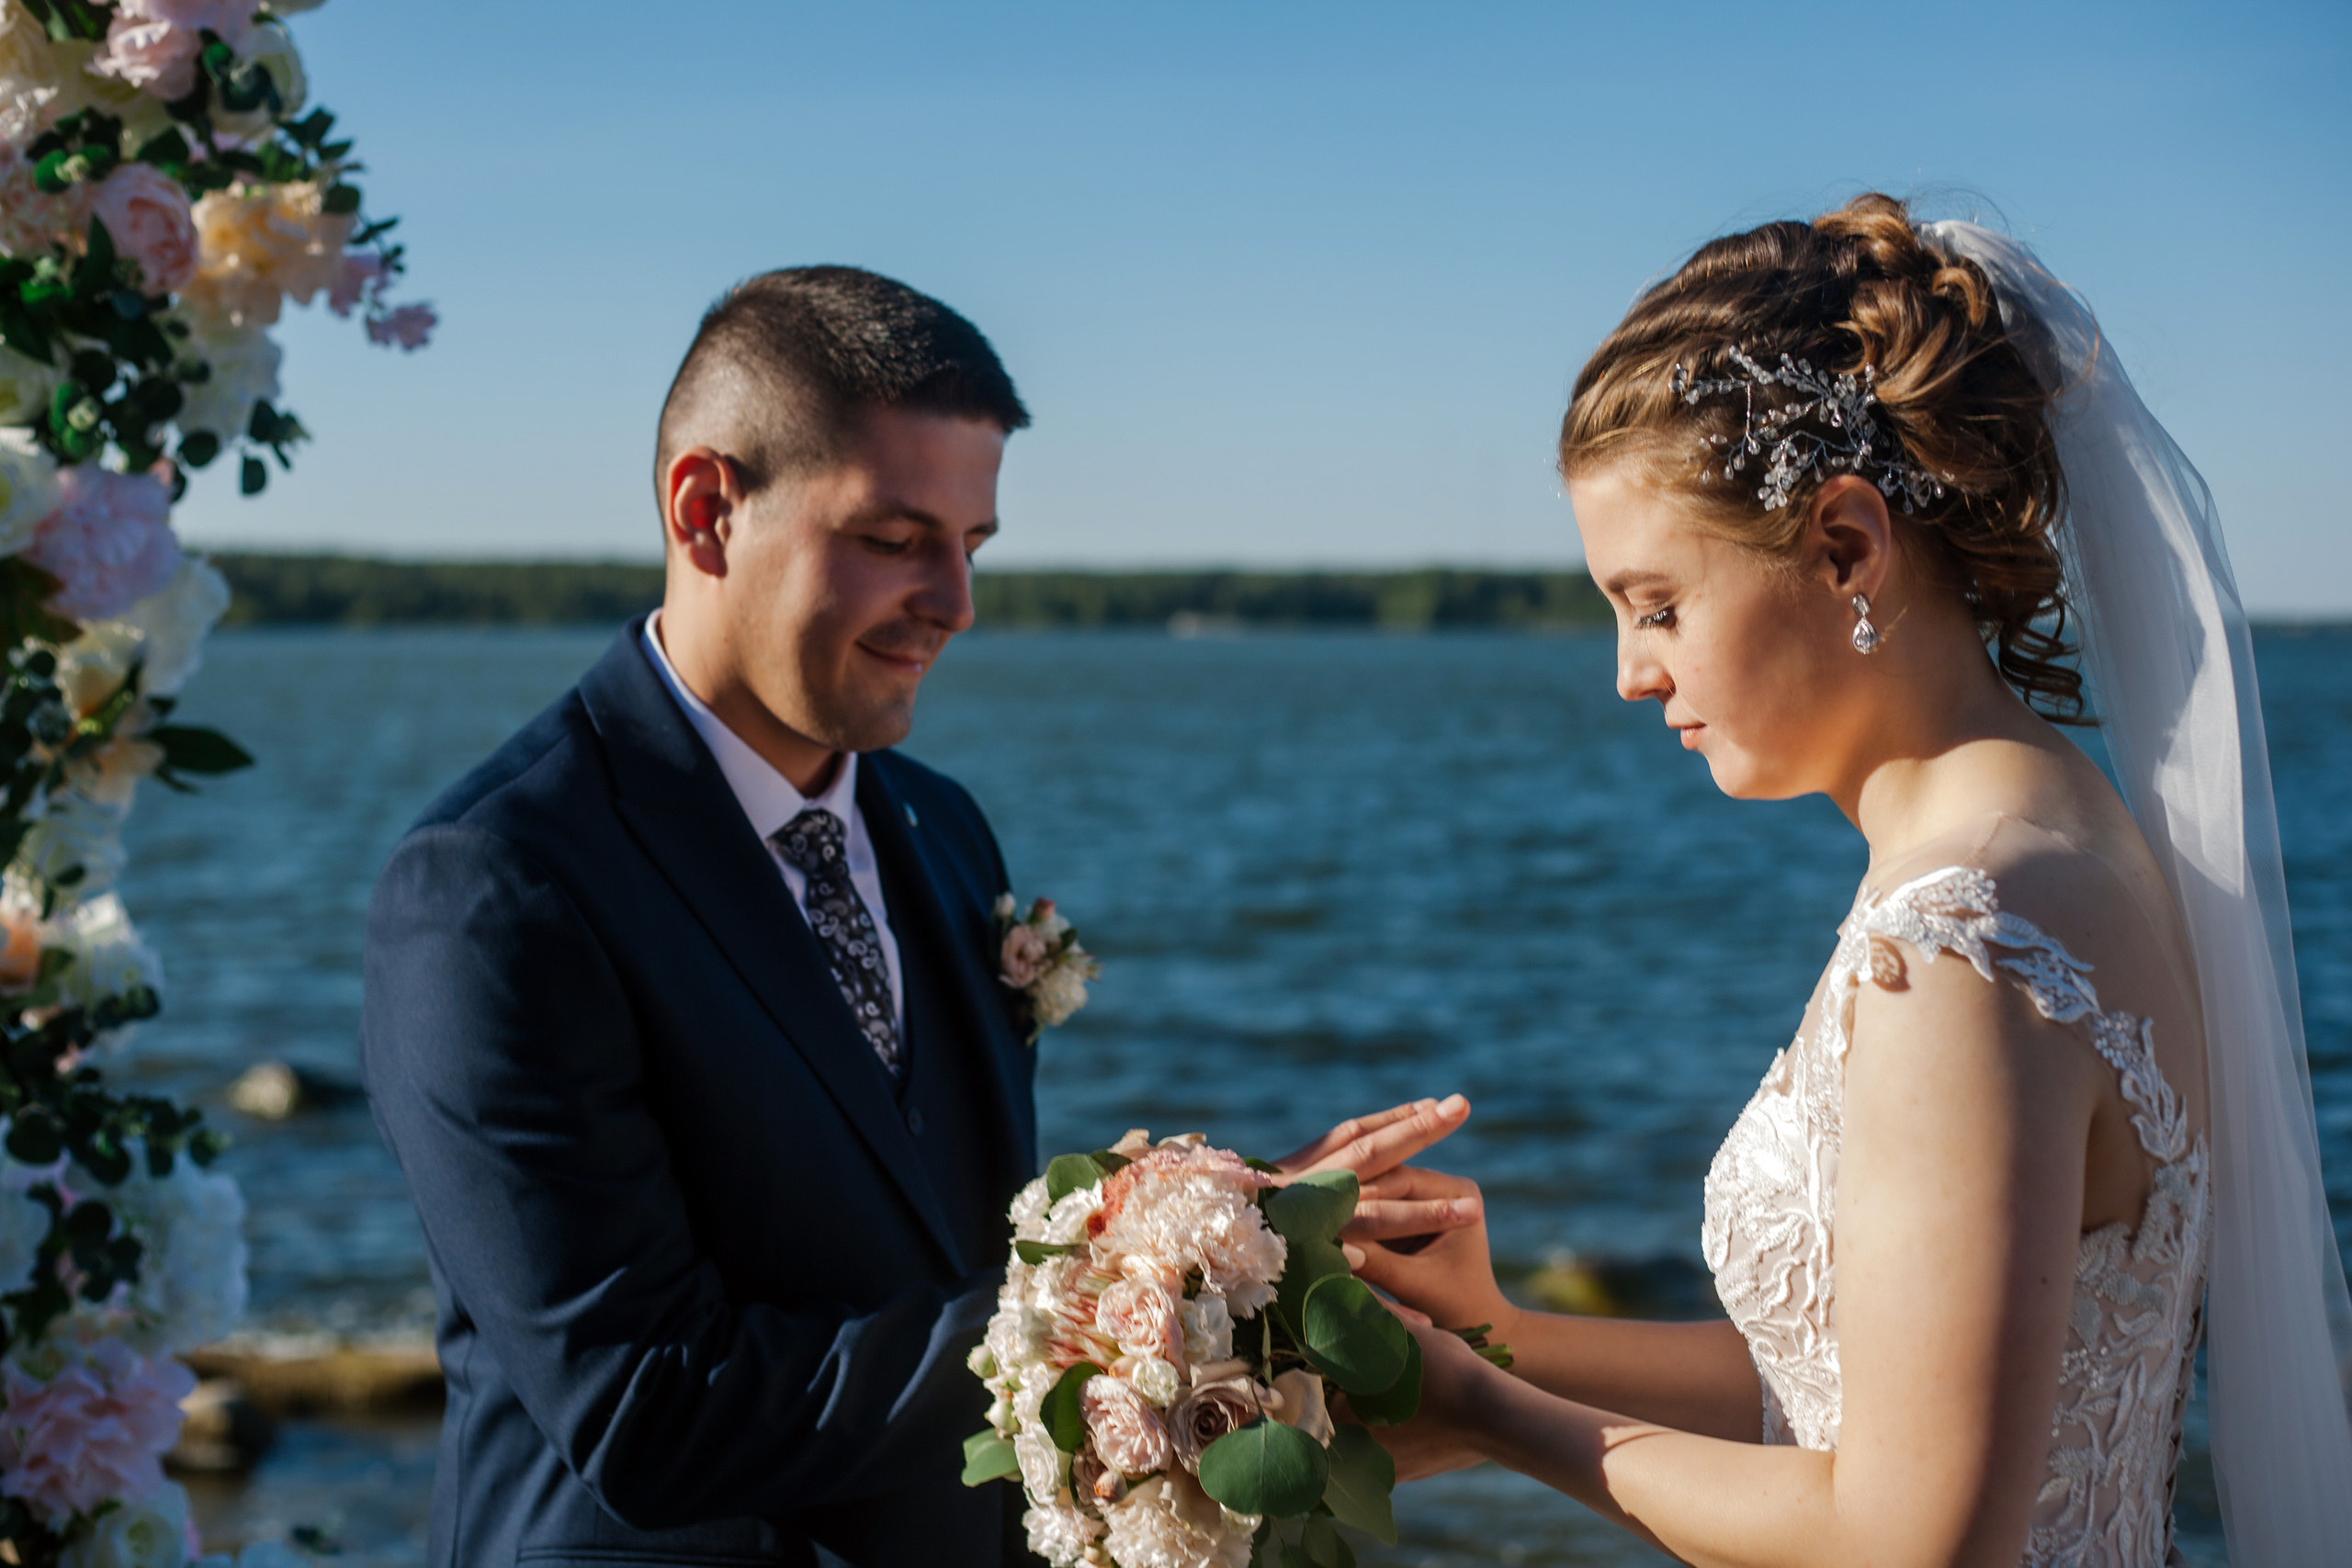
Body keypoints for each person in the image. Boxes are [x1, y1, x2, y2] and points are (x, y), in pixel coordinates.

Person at [360, 265, 1472, 1568]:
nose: (956, 602)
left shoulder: (941, 827)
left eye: (973, 544)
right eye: (896, 540)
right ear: (707, 509)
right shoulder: (496, 886)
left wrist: (1236, 1247)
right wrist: (1146, 1300)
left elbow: (946, 1250)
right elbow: (646, 1408)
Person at [1352, 196, 2352, 1565]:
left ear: (1845, 545)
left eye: (1657, 605)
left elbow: (1909, 1538)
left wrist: (1480, 1408)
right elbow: (1865, 1393)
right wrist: (1509, 1343)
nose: (1633, 672)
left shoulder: (1966, 945)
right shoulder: (2062, 837)